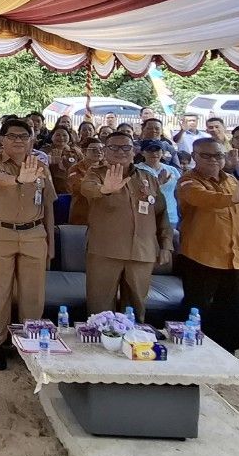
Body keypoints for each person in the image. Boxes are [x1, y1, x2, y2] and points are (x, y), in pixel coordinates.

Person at [0, 118, 56, 371]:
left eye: (24, 136)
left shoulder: (41, 165)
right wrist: (20, 180)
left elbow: (47, 205)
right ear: (2, 139)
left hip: (34, 234)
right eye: (12, 136)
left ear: (32, 139)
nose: (18, 141)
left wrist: (50, 242)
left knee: (33, 295)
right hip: (0, 232)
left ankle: (28, 344)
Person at [175, 138, 239, 353]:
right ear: (194, 157)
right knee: (198, 311)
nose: (214, 160)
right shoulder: (188, 181)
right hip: (202, 258)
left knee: (232, 313)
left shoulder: (233, 181)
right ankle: (193, 355)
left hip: (235, 259)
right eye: (207, 155)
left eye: (219, 155)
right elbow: (204, 199)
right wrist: (234, 197)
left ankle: (227, 355)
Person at [77, 133, 173, 321]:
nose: (120, 151)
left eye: (126, 147)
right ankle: (98, 350)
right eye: (113, 147)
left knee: (136, 311)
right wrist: (106, 189)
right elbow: (87, 188)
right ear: (104, 151)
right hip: (105, 252)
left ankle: (133, 347)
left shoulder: (148, 178)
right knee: (100, 312)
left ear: (134, 151)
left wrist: (166, 245)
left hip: (142, 253)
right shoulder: (96, 174)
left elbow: (162, 214)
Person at [136, 140, 181, 227]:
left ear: (162, 152)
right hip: (146, 216)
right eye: (149, 150)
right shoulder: (136, 170)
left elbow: (178, 193)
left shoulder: (172, 170)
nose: (154, 153)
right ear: (142, 152)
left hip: (171, 216)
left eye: (157, 150)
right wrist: (158, 183)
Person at [66, 139, 104, 225]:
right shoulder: (75, 169)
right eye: (94, 149)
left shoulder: (107, 167)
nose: (99, 152)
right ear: (84, 151)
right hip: (83, 215)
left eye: (101, 149)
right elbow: (78, 188)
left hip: (103, 215)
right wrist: (104, 189)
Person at [45, 125, 83, 193]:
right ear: (52, 137)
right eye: (58, 135)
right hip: (52, 191)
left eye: (64, 135)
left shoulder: (76, 152)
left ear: (69, 137)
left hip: (73, 191)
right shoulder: (45, 151)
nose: (61, 138)